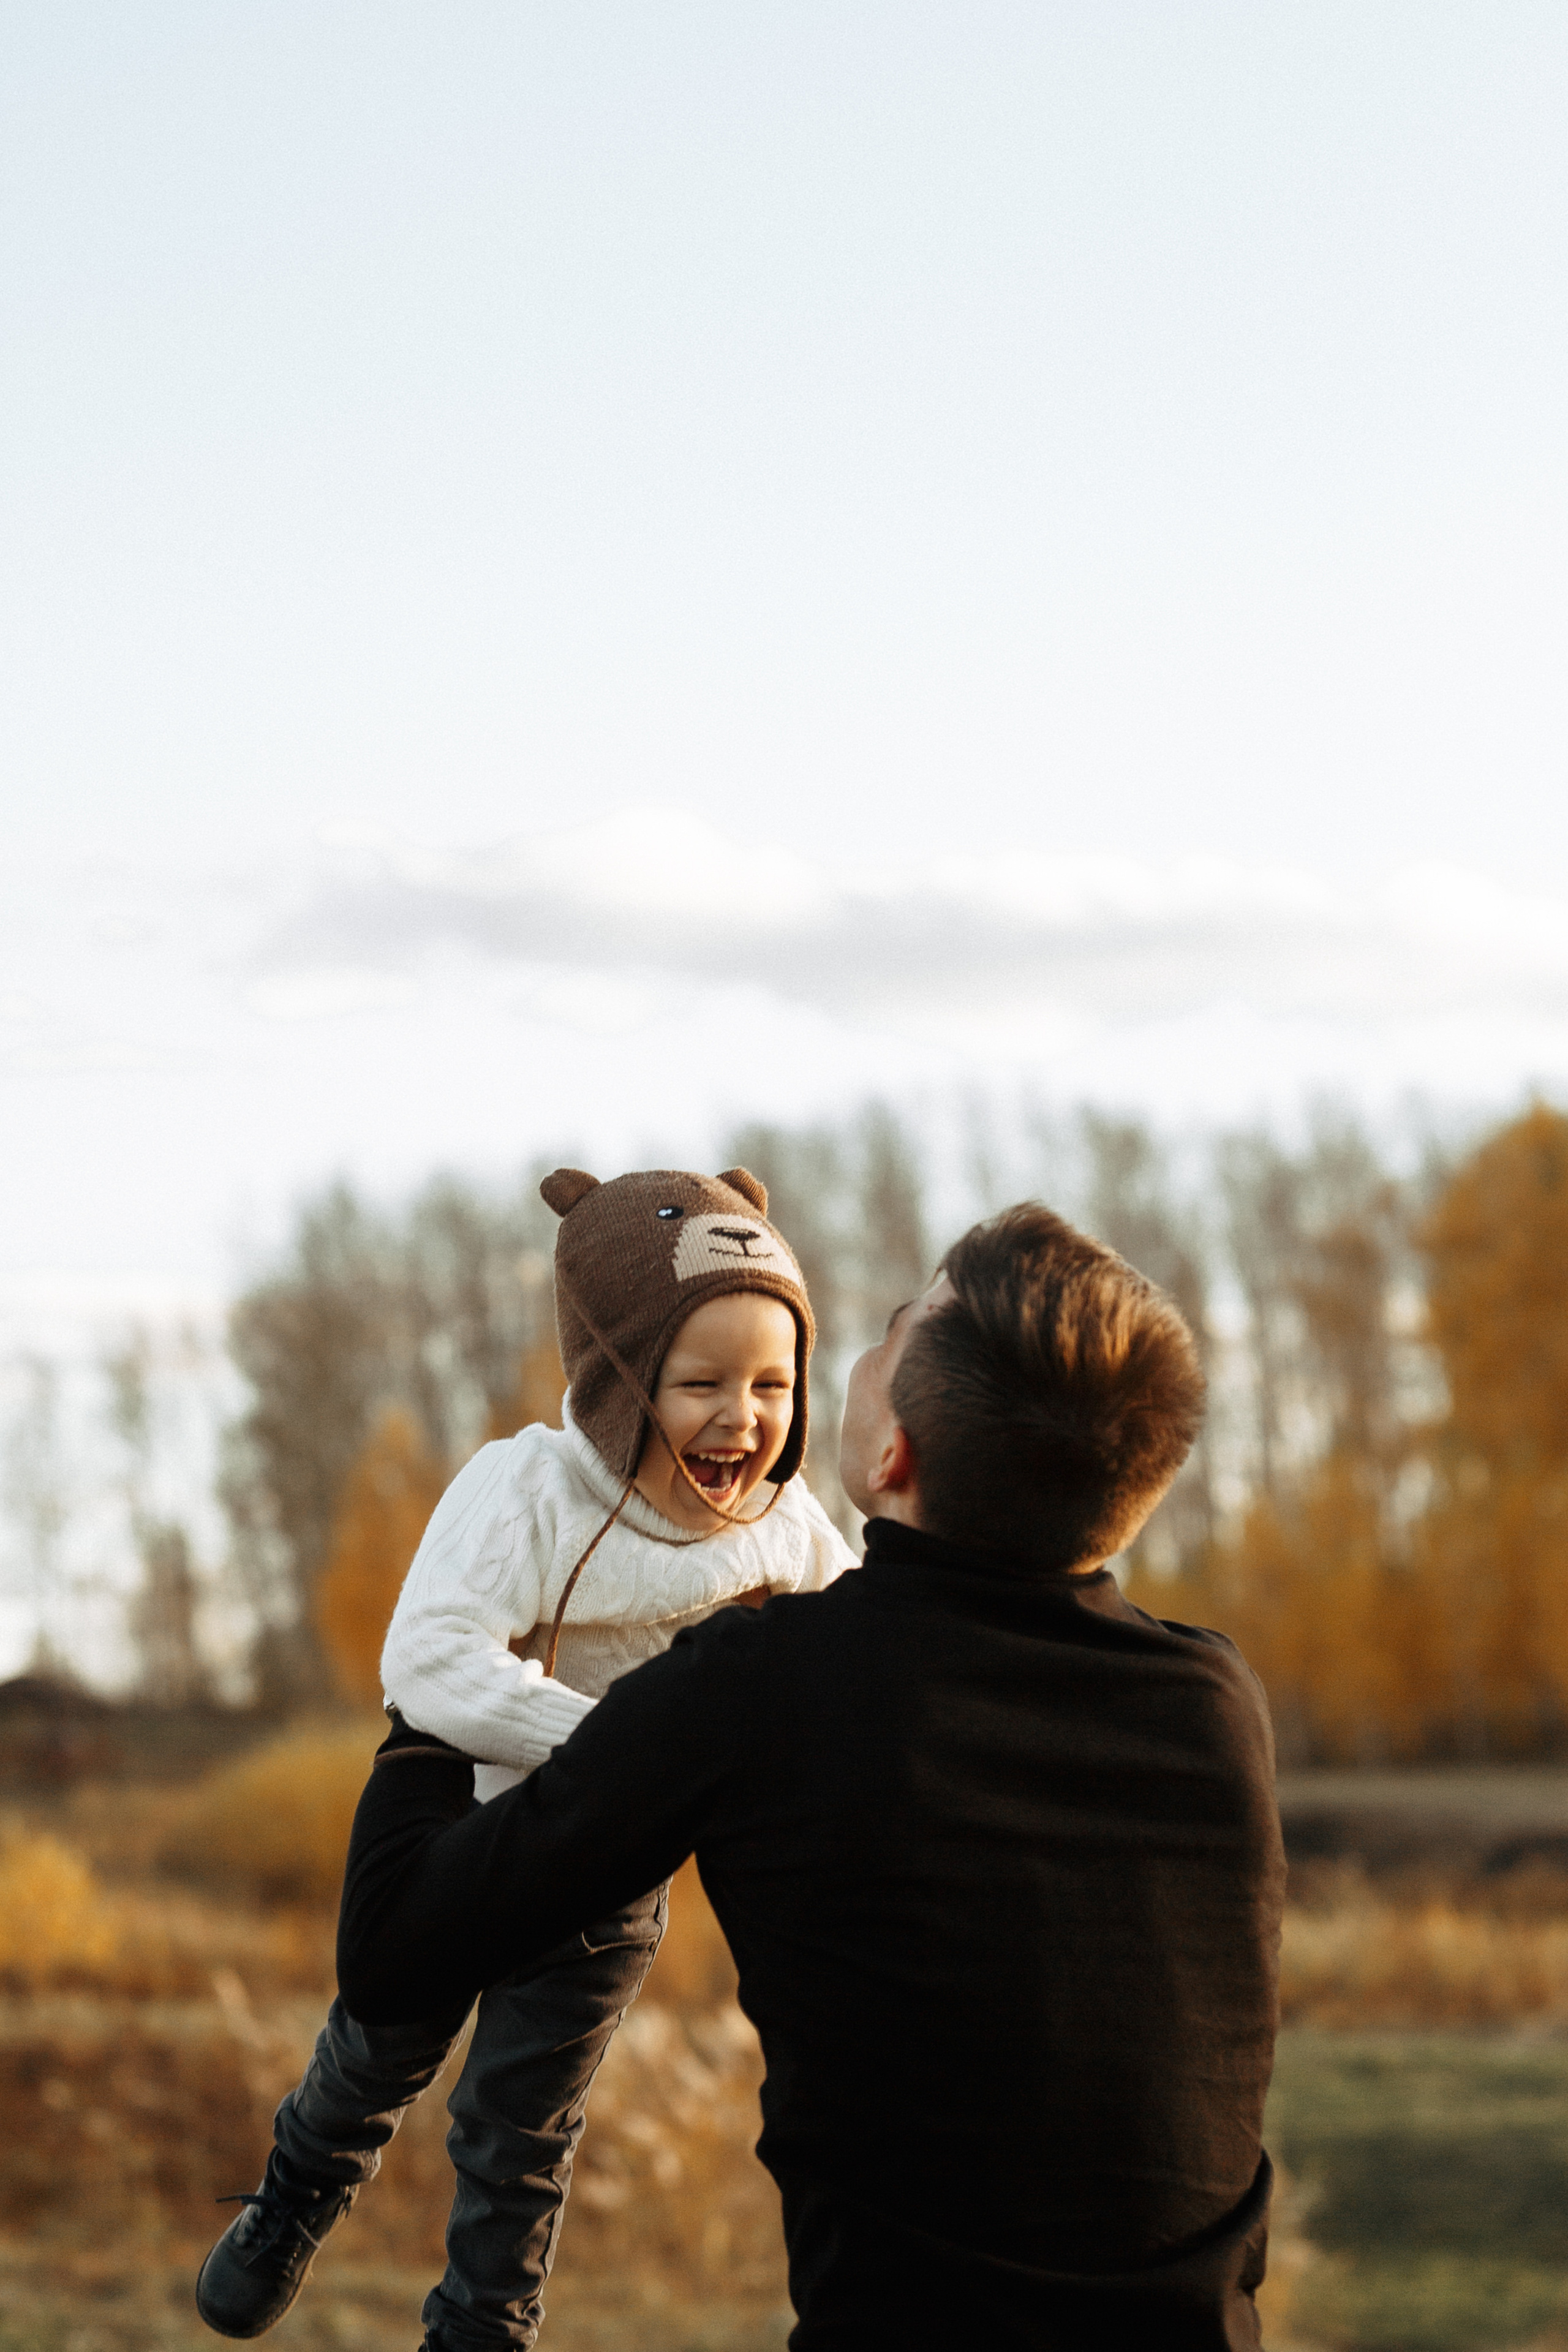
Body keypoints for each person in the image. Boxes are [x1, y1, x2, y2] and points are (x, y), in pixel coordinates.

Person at [334, 1202, 1286, 2350]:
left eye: (892, 1329)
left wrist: (432, 1687)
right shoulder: (1217, 1705)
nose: (856, 1348)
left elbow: (394, 1949)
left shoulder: (767, 1690)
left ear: (891, 1455)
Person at [197, 1166, 855, 2350]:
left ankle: (483, 2328)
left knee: (521, 2130)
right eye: (700, 1382)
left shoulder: (794, 1533)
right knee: (378, 2051)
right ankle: (301, 2187)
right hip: (459, 1823)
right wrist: (631, 1755)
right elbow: (430, 1657)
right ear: (616, 1379)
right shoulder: (530, 1490)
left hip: (606, 1877)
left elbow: (866, 1662)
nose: (743, 1418)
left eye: (773, 1383)